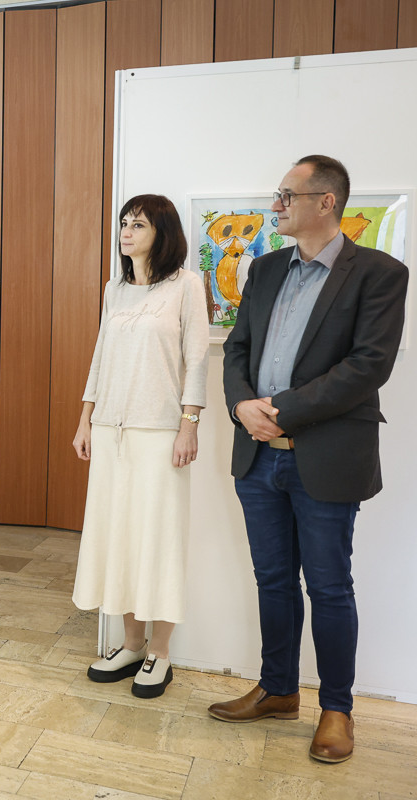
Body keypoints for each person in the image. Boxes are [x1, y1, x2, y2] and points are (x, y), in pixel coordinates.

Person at [209, 155, 408, 762]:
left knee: (328, 586)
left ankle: (337, 710)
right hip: (257, 456)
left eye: (286, 196)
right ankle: (277, 689)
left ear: (327, 202)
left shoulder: (379, 273)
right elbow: (237, 348)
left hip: (326, 457)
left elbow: (368, 366)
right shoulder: (266, 268)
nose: (276, 206)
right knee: (272, 580)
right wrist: (241, 405)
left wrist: (282, 410)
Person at [70, 195, 208, 698]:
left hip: (160, 433)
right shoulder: (116, 289)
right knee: (120, 538)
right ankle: (130, 644)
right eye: (124, 223)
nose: (126, 232)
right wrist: (86, 420)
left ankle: (160, 653)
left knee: (158, 540)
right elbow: (100, 358)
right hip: (111, 430)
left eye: (139, 224)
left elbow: (197, 359)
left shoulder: (186, 285)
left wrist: (189, 424)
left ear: (162, 232)